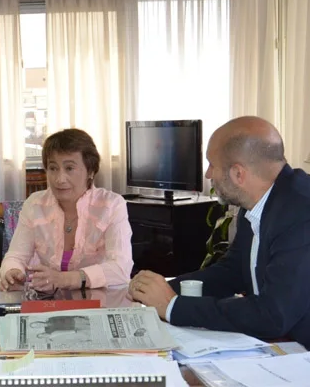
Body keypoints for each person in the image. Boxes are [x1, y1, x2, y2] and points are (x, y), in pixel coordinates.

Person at [129, 116, 310, 349]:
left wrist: (173, 306)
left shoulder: (301, 212)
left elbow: (272, 315)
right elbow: (231, 272)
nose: (207, 175)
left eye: (211, 164)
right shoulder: (257, 203)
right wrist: (159, 290)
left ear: (238, 174)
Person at [0, 128, 133, 292]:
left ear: (90, 171)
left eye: (69, 168)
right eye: (53, 168)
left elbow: (121, 268)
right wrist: (12, 272)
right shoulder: (34, 204)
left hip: (98, 301)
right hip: (47, 303)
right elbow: (15, 256)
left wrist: (65, 279)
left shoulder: (112, 205)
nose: (59, 179)